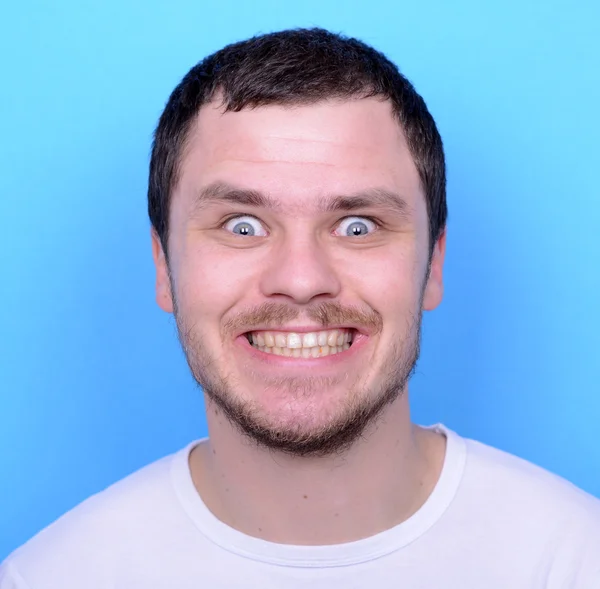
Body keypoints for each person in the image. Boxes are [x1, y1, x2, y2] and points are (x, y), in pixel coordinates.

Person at [1, 27, 599, 588]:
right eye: (242, 226)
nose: (301, 279)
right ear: (163, 266)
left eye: (357, 226)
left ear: (433, 265)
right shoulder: (54, 576)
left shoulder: (574, 561)